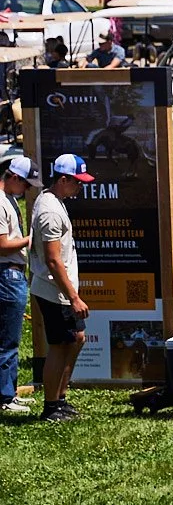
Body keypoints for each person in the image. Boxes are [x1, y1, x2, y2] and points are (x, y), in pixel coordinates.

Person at [28, 154, 93, 422]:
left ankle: (61, 398)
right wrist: (74, 297)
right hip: (54, 291)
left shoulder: (55, 201)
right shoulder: (51, 211)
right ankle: (51, 406)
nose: (80, 187)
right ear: (63, 179)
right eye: (77, 182)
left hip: (59, 290)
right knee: (59, 345)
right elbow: (54, 260)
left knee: (76, 339)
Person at [0, 157, 35, 415]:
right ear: (13, 178)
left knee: (11, 338)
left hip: (13, 274)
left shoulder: (9, 200)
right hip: (7, 275)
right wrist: (29, 240)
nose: (27, 190)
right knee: (8, 340)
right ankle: (4, 397)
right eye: (26, 184)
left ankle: (9, 392)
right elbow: (2, 245)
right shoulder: (1, 203)